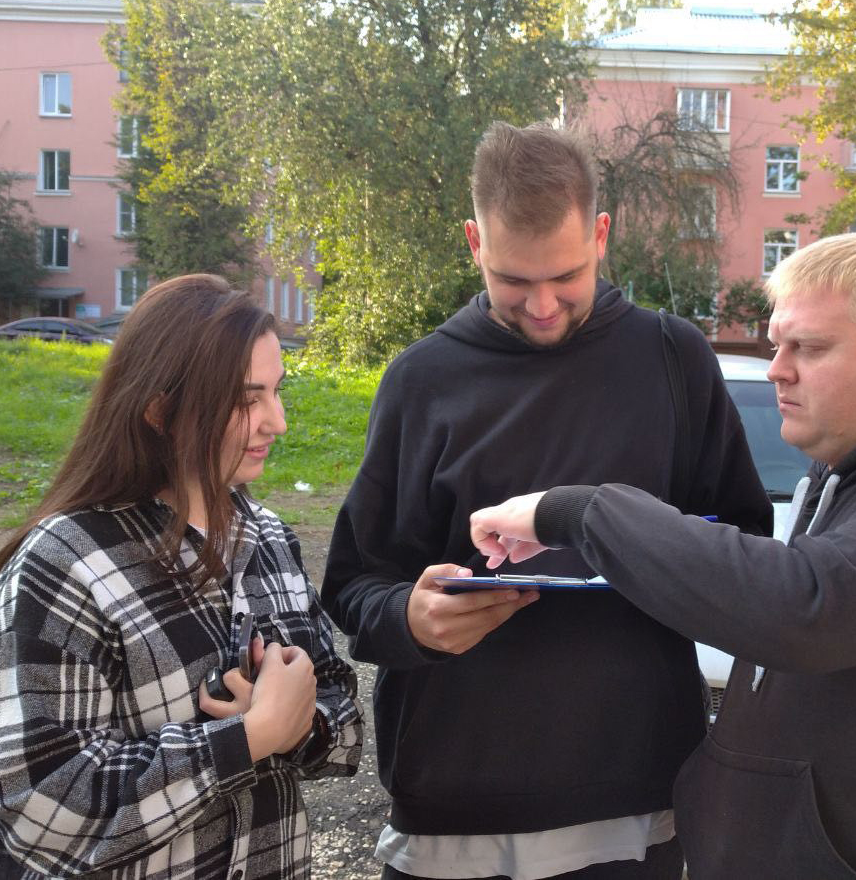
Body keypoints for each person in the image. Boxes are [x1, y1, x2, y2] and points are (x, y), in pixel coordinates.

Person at [470, 232, 856, 879]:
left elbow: (804, 608)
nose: (778, 367)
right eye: (778, 344)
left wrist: (578, 512)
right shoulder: (845, 478)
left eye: (808, 347)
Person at [320, 120, 772, 880]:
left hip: (633, 800)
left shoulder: (672, 359)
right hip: (453, 812)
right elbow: (353, 585)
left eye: (563, 278)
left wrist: (654, 553)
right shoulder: (422, 379)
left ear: (600, 233)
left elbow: (744, 549)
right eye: (512, 281)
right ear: (474, 242)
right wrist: (411, 618)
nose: (540, 306)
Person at [0, 274, 363, 879]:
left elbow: (344, 726)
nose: (277, 422)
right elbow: (40, 806)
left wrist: (299, 722)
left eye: (277, 392)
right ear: (160, 410)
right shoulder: (65, 566)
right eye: (246, 399)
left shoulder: (272, 542)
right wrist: (245, 739)